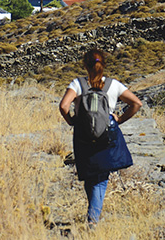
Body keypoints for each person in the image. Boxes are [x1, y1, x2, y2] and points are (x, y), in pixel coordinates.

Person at [58, 48, 142, 226]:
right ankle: (93, 221)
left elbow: (64, 106)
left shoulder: (77, 84)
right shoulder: (113, 85)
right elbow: (136, 103)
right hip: (107, 136)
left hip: (83, 135)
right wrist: (119, 119)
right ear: (103, 65)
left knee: (90, 175)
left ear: (85, 65)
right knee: (101, 178)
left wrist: (72, 121)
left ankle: (92, 217)